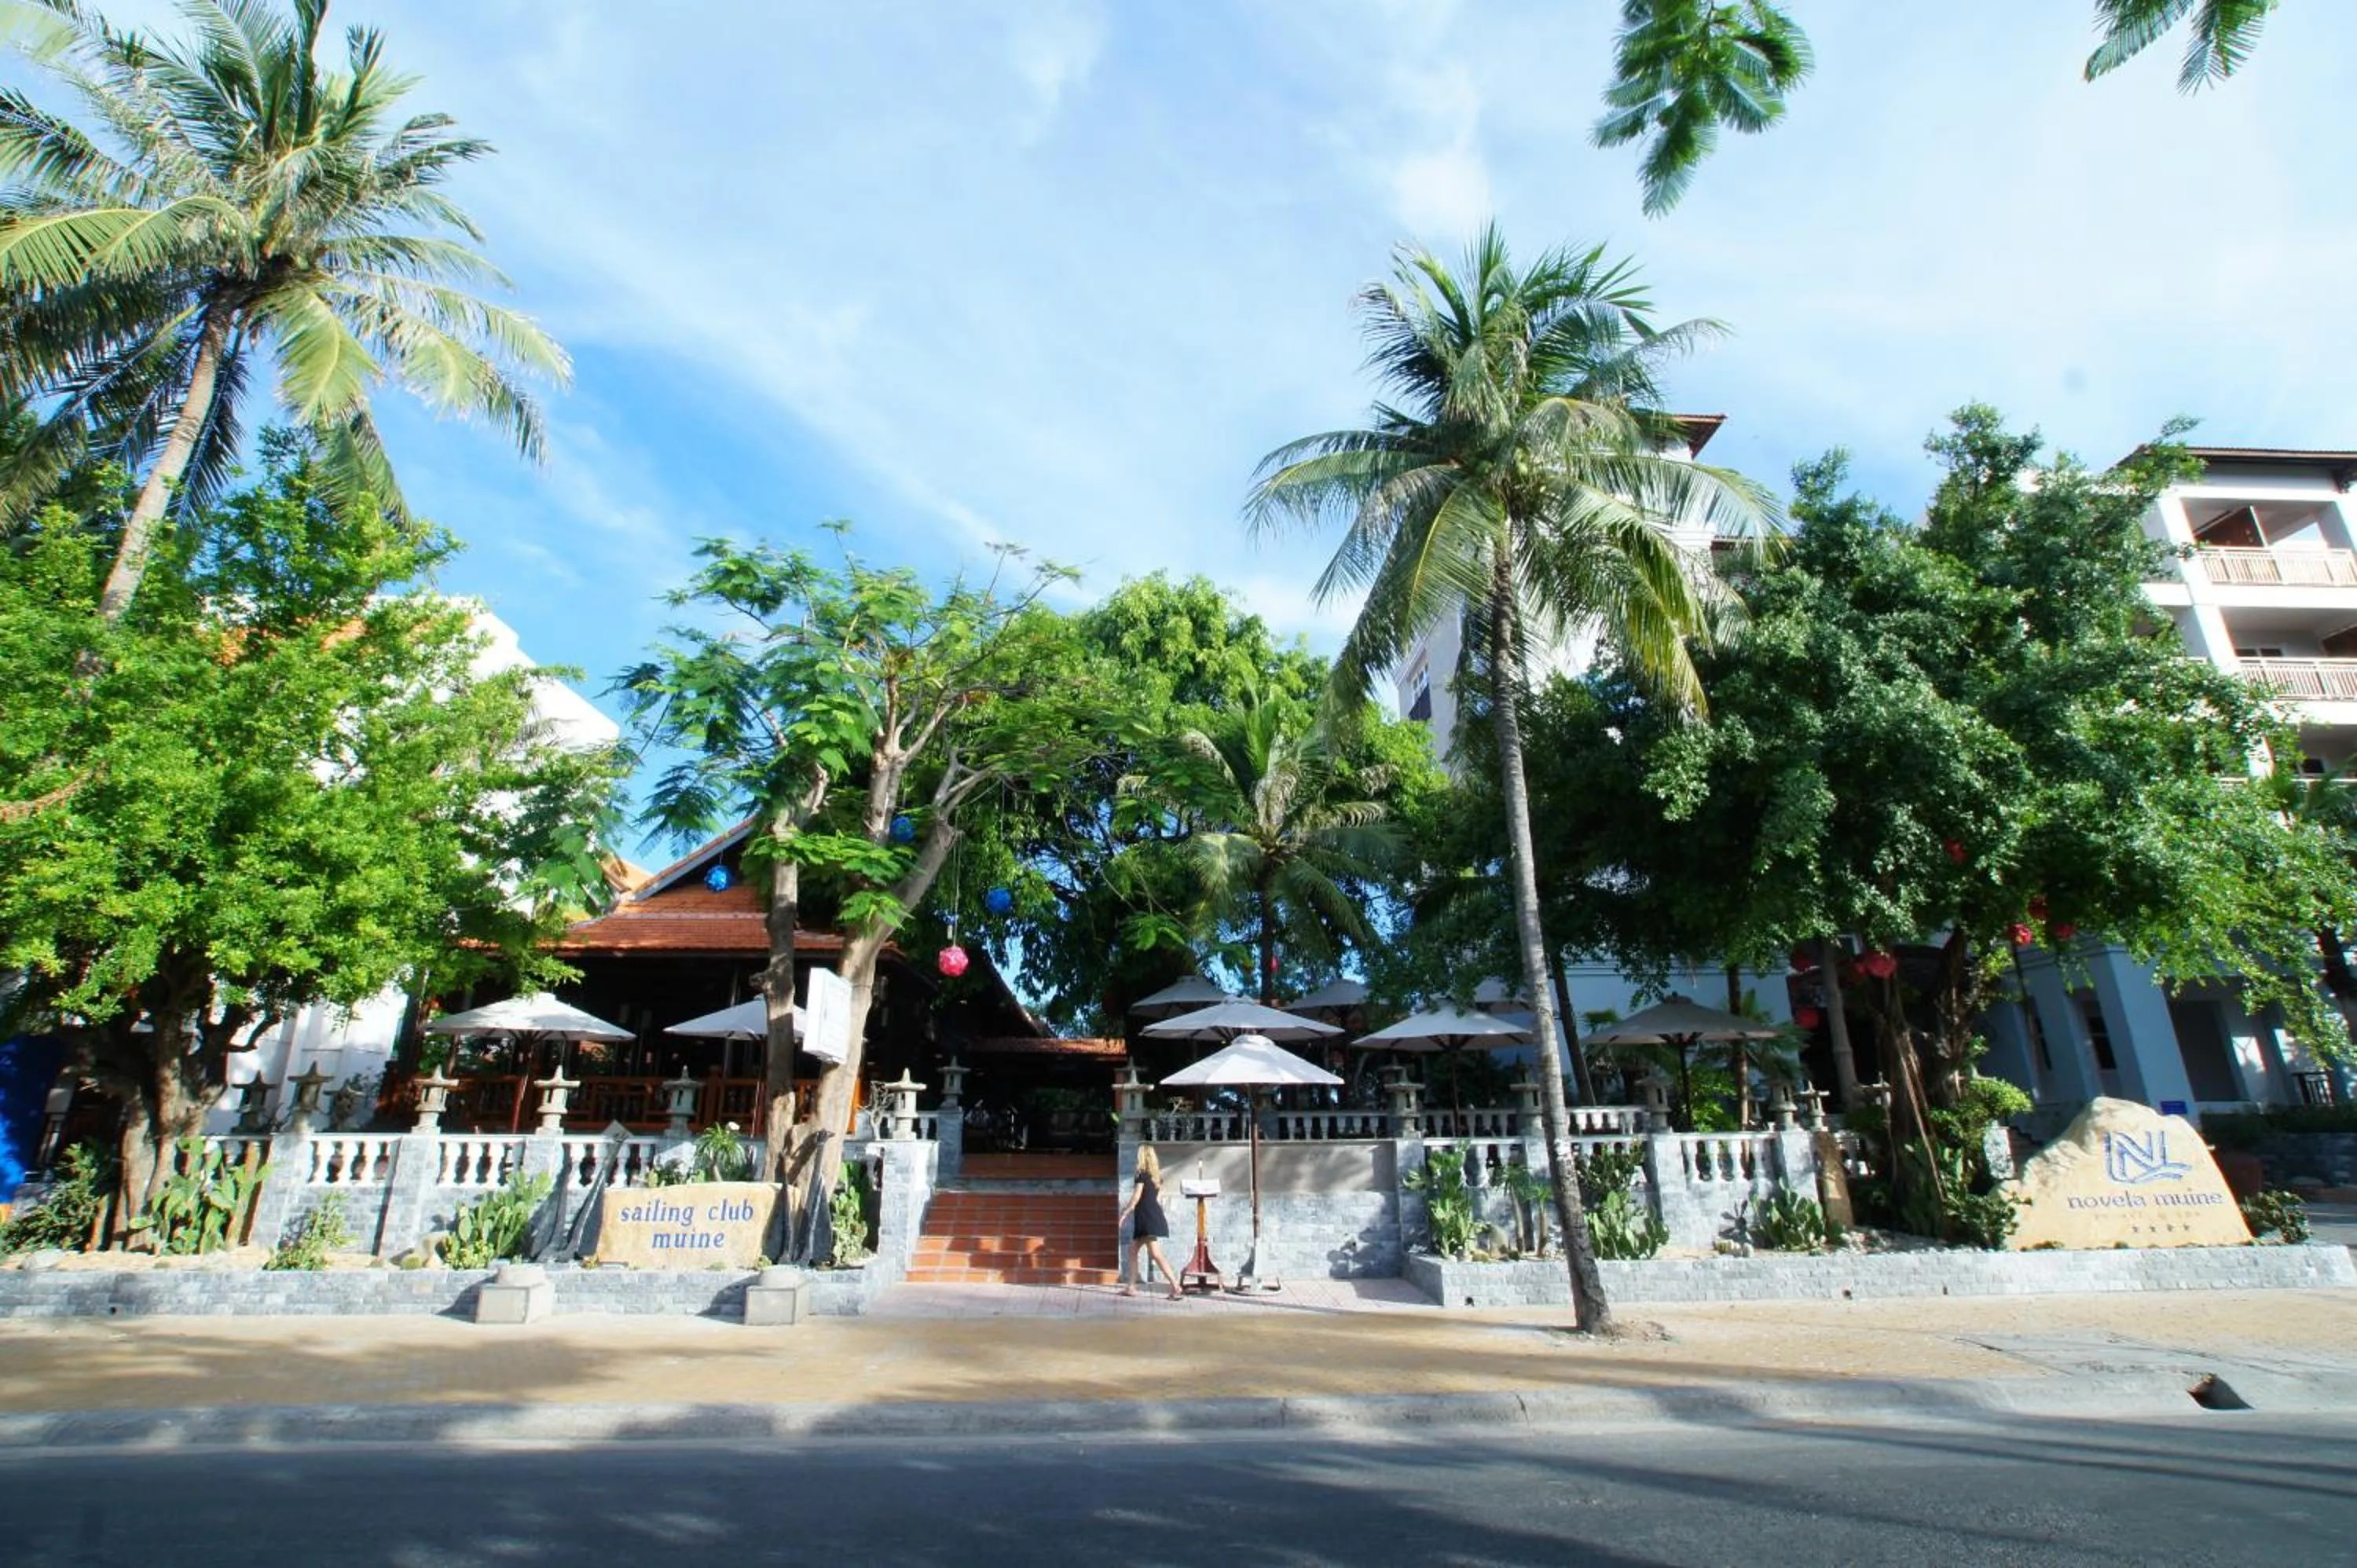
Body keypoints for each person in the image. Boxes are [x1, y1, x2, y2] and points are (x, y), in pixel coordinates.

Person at [1116, 1143, 1184, 1299]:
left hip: (1146, 1218)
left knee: (1154, 1254)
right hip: (1152, 1216)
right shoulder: (1156, 1178)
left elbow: (1137, 1197)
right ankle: (1132, 1287)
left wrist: (1124, 1213)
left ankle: (1175, 1286)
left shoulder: (1142, 1175)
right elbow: (1154, 1198)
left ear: (1143, 1157)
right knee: (1135, 1251)